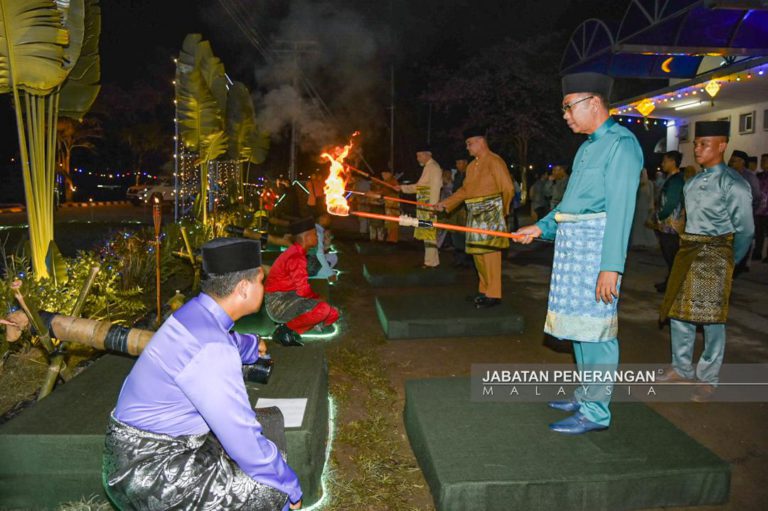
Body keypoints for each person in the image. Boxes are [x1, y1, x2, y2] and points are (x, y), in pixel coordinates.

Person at [104, 237, 303, 510]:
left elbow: (223, 339)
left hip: (136, 452)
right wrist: (290, 487)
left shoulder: (194, 312)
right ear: (244, 288)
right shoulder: (213, 350)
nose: (264, 288)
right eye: (260, 281)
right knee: (267, 488)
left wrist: (250, 344)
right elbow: (243, 439)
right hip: (151, 473)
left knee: (268, 427)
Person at [514, 72, 643, 434]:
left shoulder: (622, 144)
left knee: (599, 333)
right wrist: (541, 226)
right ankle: (586, 395)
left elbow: (620, 210)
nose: (566, 115)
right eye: (564, 108)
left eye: (569, 107)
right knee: (580, 330)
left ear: (594, 102)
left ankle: (596, 412)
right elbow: (572, 205)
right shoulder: (588, 147)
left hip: (597, 249)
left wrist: (611, 267)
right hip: (575, 248)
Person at [658, 121, 754, 402]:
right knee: (679, 312)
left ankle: (708, 377)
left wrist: (730, 262)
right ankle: (681, 367)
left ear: (721, 146)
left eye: (704, 144)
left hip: (716, 254)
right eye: (696, 143)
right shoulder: (693, 182)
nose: (697, 148)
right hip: (688, 250)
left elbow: (746, 230)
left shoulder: (734, 184)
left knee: (712, 320)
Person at [437, 128, 515, 309]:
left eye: (469, 143)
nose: (467, 148)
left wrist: (501, 212)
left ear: (480, 142)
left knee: (490, 255)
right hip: (474, 212)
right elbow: (465, 191)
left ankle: (494, 294)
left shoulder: (495, 161)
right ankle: (484, 290)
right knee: (477, 254)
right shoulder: (472, 166)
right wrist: (445, 204)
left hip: (491, 212)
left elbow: (508, 188)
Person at [265, 217, 340, 340]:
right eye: (314, 234)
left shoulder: (297, 252)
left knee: (329, 311)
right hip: (279, 304)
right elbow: (303, 291)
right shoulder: (296, 257)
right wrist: (318, 298)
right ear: (306, 237)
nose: (317, 236)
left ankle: (306, 323)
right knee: (324, 309)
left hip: (287, 297)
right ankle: (286, 330)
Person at [398, 147, 443, 268]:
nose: (418, 158)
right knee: (426, 234)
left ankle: (431, 262)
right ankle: (431, 261)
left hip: (428, 207)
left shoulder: (433, 167)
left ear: (427, 154)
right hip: (424, 206)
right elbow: (419, 187)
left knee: (429, 234)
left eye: (419, 156)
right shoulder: (428, 167)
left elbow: (435, 189)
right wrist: (402, 188)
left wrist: (432, 207)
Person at [651, 150, 685, 293]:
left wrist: (659, 216)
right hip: (668, 224)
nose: (662, 164)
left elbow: (671, 203)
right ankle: (670, 283)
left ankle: (674, 285)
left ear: (672, 161)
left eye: (665, 161)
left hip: (671, 224)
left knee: (671, 256)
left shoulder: (676, 180)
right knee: (671, 256)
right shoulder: (672, 178)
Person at [730, 150, 760, 275]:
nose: (731, 162)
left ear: (742, 162)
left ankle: (736, 270)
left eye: (734, 160)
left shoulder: (749, 177)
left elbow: (756, 196)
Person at [447, 157, 473, 268]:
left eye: (460, 162)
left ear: (466, 163)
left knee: (466, 234)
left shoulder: (470, 175)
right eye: (456, 163)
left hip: (466, 209)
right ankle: (459, 258)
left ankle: (468, 259)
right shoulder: (458, 175)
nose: (458, 165)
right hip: (456, 209)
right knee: (456, 234)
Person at [630, 168, 657, 248]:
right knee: (637, 226)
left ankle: (647, 242)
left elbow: (651, 196)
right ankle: (637, 242)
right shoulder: (635, 184)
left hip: (645, 208)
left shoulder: (649, 184)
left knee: (646, 225)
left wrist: (651, 207)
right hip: (637, 208)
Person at [756, 154, 768, 262]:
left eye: (765, 161)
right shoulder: (759, 176)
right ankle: (757, 253)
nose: (763, 163)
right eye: (762, 160)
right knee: (759, 233)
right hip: (760, 209)